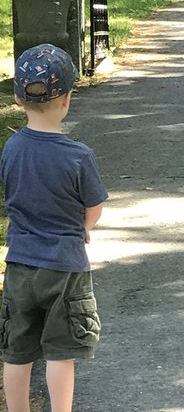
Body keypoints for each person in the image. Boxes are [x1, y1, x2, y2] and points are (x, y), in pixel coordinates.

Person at [1, 45, 107, 412]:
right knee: (61, 351)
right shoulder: (78, 156)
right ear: (67, 99)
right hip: (65, 267)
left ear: (18, 97)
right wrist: (84, 226)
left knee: (17, 350)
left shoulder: (11, 149)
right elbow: (94, 207)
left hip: (20, 265)